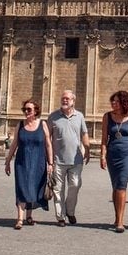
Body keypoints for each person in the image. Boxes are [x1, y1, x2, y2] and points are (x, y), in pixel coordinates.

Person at [4, 100, 53, 229]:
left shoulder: (43, 124)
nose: (26, 112)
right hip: (22, 162)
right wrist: (8, 160)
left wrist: (50, 163)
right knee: (22, 187)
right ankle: (20, 218)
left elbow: (48, 144)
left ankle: (29, 216)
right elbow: (14, 143)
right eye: (24, 109)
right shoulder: (20, 125)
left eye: (29, 109)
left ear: (36, 111)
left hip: (38, 162)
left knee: (34, 188)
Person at [48, 90, 90, 226]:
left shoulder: (80, 116)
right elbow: (47, 138)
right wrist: (48, 159)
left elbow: (84, 133)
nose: (64, 100)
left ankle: (70, 211)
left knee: (75, 185)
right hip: (57, 160)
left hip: (76, 159)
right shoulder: (53, 117)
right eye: (63, 98)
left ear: (73, 101)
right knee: (58, 189)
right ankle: (61, 217)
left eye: (67, 98)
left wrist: (87, 149)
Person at [100, 90, 128, 233]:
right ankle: (117, 217)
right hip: (112, 155)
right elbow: (104, 139)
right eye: (112, 101)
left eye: (116, 101)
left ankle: (120, 222)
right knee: (116, 186)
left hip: (127, 155)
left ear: (124, 103)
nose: (113, 103)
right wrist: (102, 156)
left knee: (122, 185)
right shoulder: (107, 117)